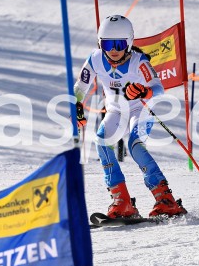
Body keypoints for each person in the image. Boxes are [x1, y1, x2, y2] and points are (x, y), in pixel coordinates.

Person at [74, 15, 187, 219]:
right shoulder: (95, 58)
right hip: (116, 112)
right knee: (102, 141)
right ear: (100, 43)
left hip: (140, 110)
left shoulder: (138, 61)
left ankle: (165, 199)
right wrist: (78, 105)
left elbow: (158, 88)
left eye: (119, 44)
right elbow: (80, 86)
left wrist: (144, 92)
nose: (114, 50)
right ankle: (122, 201)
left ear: (129, 43)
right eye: (108, 44)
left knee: (135, 145)